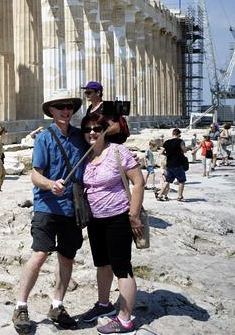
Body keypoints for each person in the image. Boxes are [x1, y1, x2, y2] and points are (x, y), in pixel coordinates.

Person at [12, 90, 86, 333]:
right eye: (60, 106)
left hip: (72, 206)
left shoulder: (81, 137)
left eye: (69, 106)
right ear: (51, 111)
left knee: (67, 257)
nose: (66, 110)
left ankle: (57, 304)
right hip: (47, 205)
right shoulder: (44, 138)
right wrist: (49, 184)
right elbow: (35, 174)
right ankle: (21, 306)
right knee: (40, 253)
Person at [78, 114, 145, 334]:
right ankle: (104, 304)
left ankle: (125, 319)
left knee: (122, 268)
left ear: (105, 130)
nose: (92, 132)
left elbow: (139, 181)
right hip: (95, 220)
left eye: (97, 128)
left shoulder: (118, 151)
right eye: (87, 129)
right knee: (102, 264)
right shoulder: (86, 156)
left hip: (118, 218)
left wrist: (133, 215)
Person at [158, 128, 188, 202]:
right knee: (182, 181)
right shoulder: (180, 141)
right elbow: (184, 150)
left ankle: (160, 195)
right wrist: (188, 148)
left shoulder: (167, 142)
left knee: (167, 180)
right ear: (178, 134)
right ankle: (180, 196)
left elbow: (162, 152)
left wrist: (168, 155)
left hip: (169, 164)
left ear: (173, 134)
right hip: (177, 164)